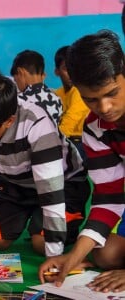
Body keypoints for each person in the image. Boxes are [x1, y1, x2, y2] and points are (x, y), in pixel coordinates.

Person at [0, 70, 90, 258]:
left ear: (8, 121)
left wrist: (54, 256)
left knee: (41, 244)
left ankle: (52, 227)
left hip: (64, 184)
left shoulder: (37, 124)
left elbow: (51, 192)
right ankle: (31, 217)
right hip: (15, 183)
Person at [39, 30, 125, 293]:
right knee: (105, 254)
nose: (105, 107)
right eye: (91, 99)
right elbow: (109, 198)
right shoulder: (95, 129)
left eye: (113, 93)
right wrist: (73, 259)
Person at [10, 49, 62, 127]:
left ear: (20, 72)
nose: (16, 84)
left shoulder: (20, 102)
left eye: (15, 80)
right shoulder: (57, 100)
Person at [54, 45, 89, 160]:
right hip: (66, 140)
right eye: (66, 68)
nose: (72, 72)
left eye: (75, 67)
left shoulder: (79, 90)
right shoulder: (57, 93)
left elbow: (69, 123)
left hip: (81, 141)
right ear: (57, 72)